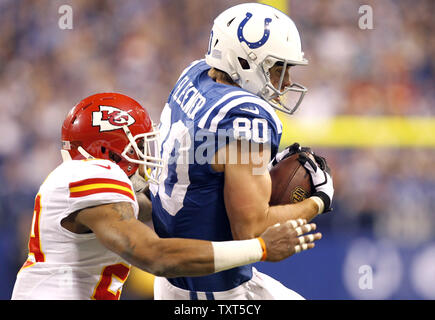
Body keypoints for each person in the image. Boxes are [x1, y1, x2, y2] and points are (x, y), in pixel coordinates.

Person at [11, 92, 321, 300]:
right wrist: (260, 247)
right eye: (139, 144)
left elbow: (150, 205)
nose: (147, 153)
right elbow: (156, 256)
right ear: (109, 150)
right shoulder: (95, 175)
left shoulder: (81, 180)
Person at [149, 3, 334, 300]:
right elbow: (252, 231)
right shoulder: (247, 116)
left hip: (177, 272)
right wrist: (319, 201)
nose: (286, 82)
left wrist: (251, 165)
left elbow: (211, 160)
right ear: (246, 62)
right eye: (277, 69)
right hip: (212, 287)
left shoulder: (196, 74)